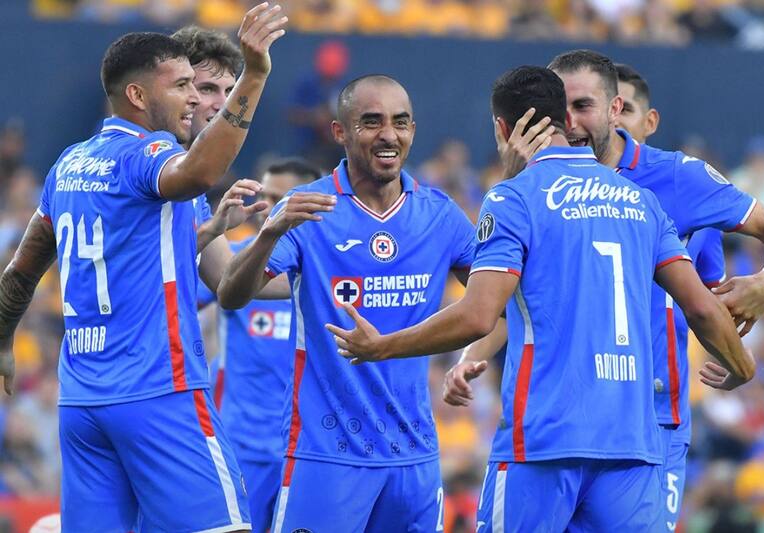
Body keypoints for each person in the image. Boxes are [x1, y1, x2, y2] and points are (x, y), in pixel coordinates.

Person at [326, 65, 755, 531]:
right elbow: (700, 307)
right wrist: (741, 366)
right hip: (633, 447)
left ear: (502, 128)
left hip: (544, 444)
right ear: (566, 121)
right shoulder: (641, 201)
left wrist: (383, 346)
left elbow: (478, 315)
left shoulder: (513, 199)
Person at [445, 49, 764, 531]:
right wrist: (472, 355)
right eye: (560, 108)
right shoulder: (532, 186)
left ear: (617, 111)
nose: (568, 122)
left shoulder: (675, 178)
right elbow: (524, 298)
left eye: (583, 106)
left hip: (651, 420)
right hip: (564, 418)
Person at [0, 5, 288, 531]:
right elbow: (200, 172)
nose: (195, 99)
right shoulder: (152, 156)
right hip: (159, 391)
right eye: (184, 86)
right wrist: (256, 74)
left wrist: (2, 340)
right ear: (137, 95)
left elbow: (22, 270)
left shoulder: (69, 165)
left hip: (83, 402)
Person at [216, 74, 476, 532]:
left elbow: (495, 301)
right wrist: (269, 234)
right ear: (340, 132)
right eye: (371, 122)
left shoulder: (440, 214)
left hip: (414, 458)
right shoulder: (308, 206)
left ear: (413, 130)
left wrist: (472, 355)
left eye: (400, 122)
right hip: (325, 457)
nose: (388, 135)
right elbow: (232, 294)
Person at [616, 62, 726, 529]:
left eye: (625, 109)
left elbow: (714, 297)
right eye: (604, 108)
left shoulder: (686, 190)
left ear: (650, 120)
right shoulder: (560, 192)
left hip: (663, 410)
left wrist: (730, 353)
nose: (614, 120)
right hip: (592, 406)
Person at [200, 158, 321, 533]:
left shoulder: (329, 269)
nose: (269, 208)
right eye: (265, 196)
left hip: (307, 448)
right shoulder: (234, 263)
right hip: (242, 447)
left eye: (281, 198)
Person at [171, 25, 291, 299]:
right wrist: (212, 230)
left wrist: (331, 272)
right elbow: (140, 265)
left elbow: (227, 279)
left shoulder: (192, 189)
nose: (224, 104)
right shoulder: (148, 165)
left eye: (230, 91)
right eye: (208, 89)